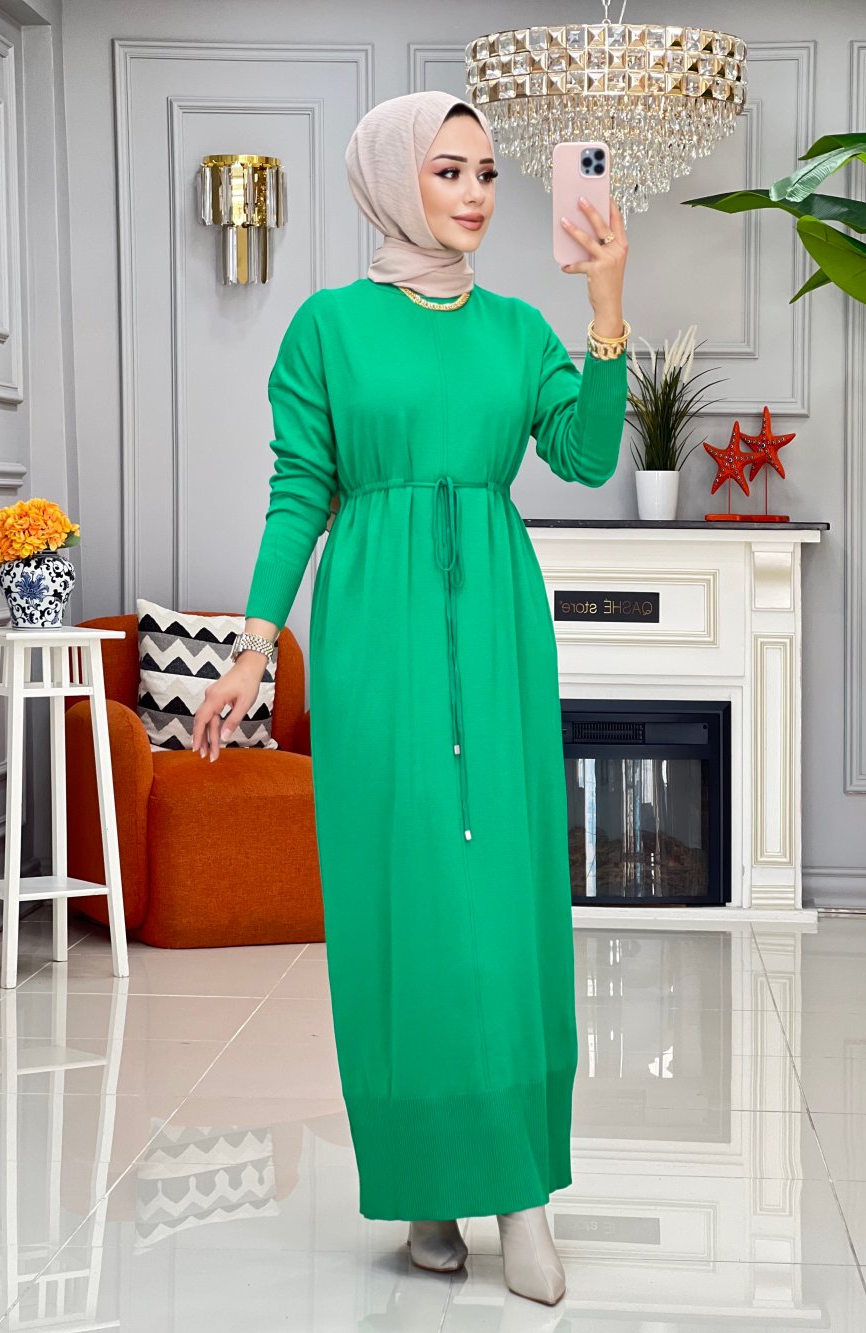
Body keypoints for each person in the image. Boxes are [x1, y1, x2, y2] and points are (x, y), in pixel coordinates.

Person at [192, 89, 629, 1307]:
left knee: (502, 901)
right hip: (374, 633)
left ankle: (522, 1195)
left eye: (487, 172)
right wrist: (254, 646)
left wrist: (604, 308)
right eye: (449, 170)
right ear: (392, 179)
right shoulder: (327, 329)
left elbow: (586, 456)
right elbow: (300, 489)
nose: (476, 193)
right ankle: (426, 1185)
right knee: (402, 907)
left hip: (493, 625)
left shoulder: (518, 329)